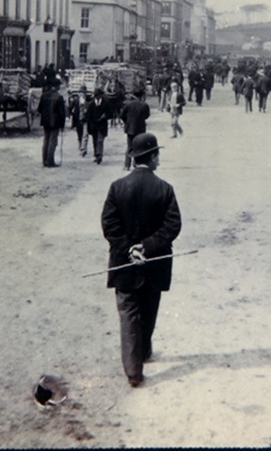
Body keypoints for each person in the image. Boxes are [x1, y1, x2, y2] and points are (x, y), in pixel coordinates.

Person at [101, 132, 182, 387]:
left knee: (128, 314)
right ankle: (144, 351)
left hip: (125, 265)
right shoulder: (165, 189)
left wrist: (129, 249)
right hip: (154, 263)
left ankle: (133, 372)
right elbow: (172, 226)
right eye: (158, 154)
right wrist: (146, 248)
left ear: (135, 158)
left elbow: (109, 224)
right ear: (153, 157)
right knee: (149, 309)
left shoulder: (117, 187)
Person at [37, 77, 66, 168]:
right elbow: (62, 113)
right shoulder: (59, 97)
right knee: (53, 141)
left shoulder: (44, 95)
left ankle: (44, 160)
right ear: (56, 86)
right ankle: (50, 161)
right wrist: (62, 124)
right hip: (55, 122)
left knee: (46, 140)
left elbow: (39, 109)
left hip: (46, 121)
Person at [120, 88, 151, 171]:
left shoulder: (128, 104)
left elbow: (122, 115)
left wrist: (127, 122)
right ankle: (136, 164)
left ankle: (127, 165)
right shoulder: (144, 105)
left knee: (129, 147)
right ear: (141, 96)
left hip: (130, 129)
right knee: (139, 147)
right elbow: (147, 116)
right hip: (140, 129)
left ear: (134, 95)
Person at [87, 87, 110, 164]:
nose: (97, 97)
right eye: (96, 96)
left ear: (101, 95)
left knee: (100, 140)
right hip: (93, 126)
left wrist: (106, 116)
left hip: (102, 125)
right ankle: (96, 155)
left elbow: (111, 113)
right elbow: (88, 117)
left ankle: (99, 155)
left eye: (98, 95)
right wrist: (89, 127)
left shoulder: (106, 103)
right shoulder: (90, 104)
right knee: (95, 141)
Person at [69, 85, 90, 157]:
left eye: (84, 92)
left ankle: (83, 149)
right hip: (78, 119)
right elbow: (70, 108)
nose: (83, 94)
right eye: (81, 92)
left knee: (85, 134)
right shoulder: (76, 100)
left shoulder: (88, 100)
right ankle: (80, 144)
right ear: (79, 93)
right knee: (79, 134)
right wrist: (71, 114)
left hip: (86, 120)